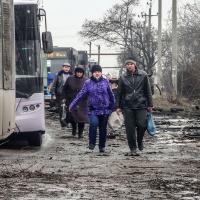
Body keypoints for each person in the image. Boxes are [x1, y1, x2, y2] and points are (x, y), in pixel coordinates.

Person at [69, 64, 115, 153]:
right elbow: (80, 95)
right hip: (93, 109)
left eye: (98, 72)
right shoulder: (88, 83)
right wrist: (72, 105)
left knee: (103, 129)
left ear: (101, 73)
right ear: (92, 73)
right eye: (95, 72)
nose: (97, 73)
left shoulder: (105, 82)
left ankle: (102, 146)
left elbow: (111, 94)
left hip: (105, 109)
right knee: (93, 124)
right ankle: (92, 143)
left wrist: (113, 106)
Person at [116, 58, 153, 156]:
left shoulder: (143, 75)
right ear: (125, 66)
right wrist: (118, 106)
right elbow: (119, 93)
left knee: (142, 125)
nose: (129, 65)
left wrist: (150, 104)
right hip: (128, 106)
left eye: (131, 64)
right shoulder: (123, 77)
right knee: (130, 129)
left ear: (135, 65)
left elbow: (148, 90)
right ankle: (133, 148)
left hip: (141, 104)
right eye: (127, 64)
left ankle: (139, 140)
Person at [62, 66, 88, 138]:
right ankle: (74, 129)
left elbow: (89, 91)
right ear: (75, 72)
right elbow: (64, 89)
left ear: (83, 73)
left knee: (81, 118)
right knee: (72, 117)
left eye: (81, 72)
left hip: (82, 102)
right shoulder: (70, 79)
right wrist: (64, 97)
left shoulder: (86, 80)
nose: (79, 74)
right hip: (71, 100)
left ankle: (80, 133)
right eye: (78, 72)